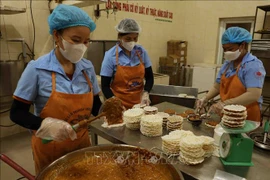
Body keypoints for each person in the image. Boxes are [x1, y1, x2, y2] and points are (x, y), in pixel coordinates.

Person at [9, 4, 102, 174]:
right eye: (75, 40)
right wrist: (44, 124)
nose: (82, 46)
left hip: (81, 145)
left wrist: (110, 112)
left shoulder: (87, 68)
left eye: (86, 41)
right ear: (57, 36)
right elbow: (16, 112)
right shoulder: (37, 69)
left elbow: (96, 105)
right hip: (50, 149)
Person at [196, 27, 266, 122]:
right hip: (227, 114)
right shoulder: (228, 63)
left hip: (246, 116)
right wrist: (205, 98)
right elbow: (217, 86)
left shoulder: (253, 65)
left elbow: (253, 94)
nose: (227, 52)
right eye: (224, 49)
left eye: (230, 49)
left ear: (242, 45)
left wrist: (225, 104)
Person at [100, 18, 154, 109]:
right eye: (128, 38)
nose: (132, 42)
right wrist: (115, 102)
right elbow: (105, 86)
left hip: (140, 104)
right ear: (119, 37)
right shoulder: (110, 56)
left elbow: (149, 78)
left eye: (135, 38)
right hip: (119, 104)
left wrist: (145, 93)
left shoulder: (142, 52)